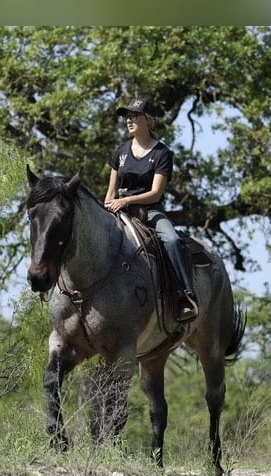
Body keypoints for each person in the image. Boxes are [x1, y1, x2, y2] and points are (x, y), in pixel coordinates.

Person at [104, 98, 198, 322]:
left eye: (134, 115)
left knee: (173, 240)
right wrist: (108, 207)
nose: (129, 119)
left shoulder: (162, 154)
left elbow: (155, 193)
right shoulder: (120, 152)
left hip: (150, 211)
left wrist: (126, 201)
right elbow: (110, 191)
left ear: (148, 120)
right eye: (127, 116)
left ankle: (184, 295)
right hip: (119, 210)